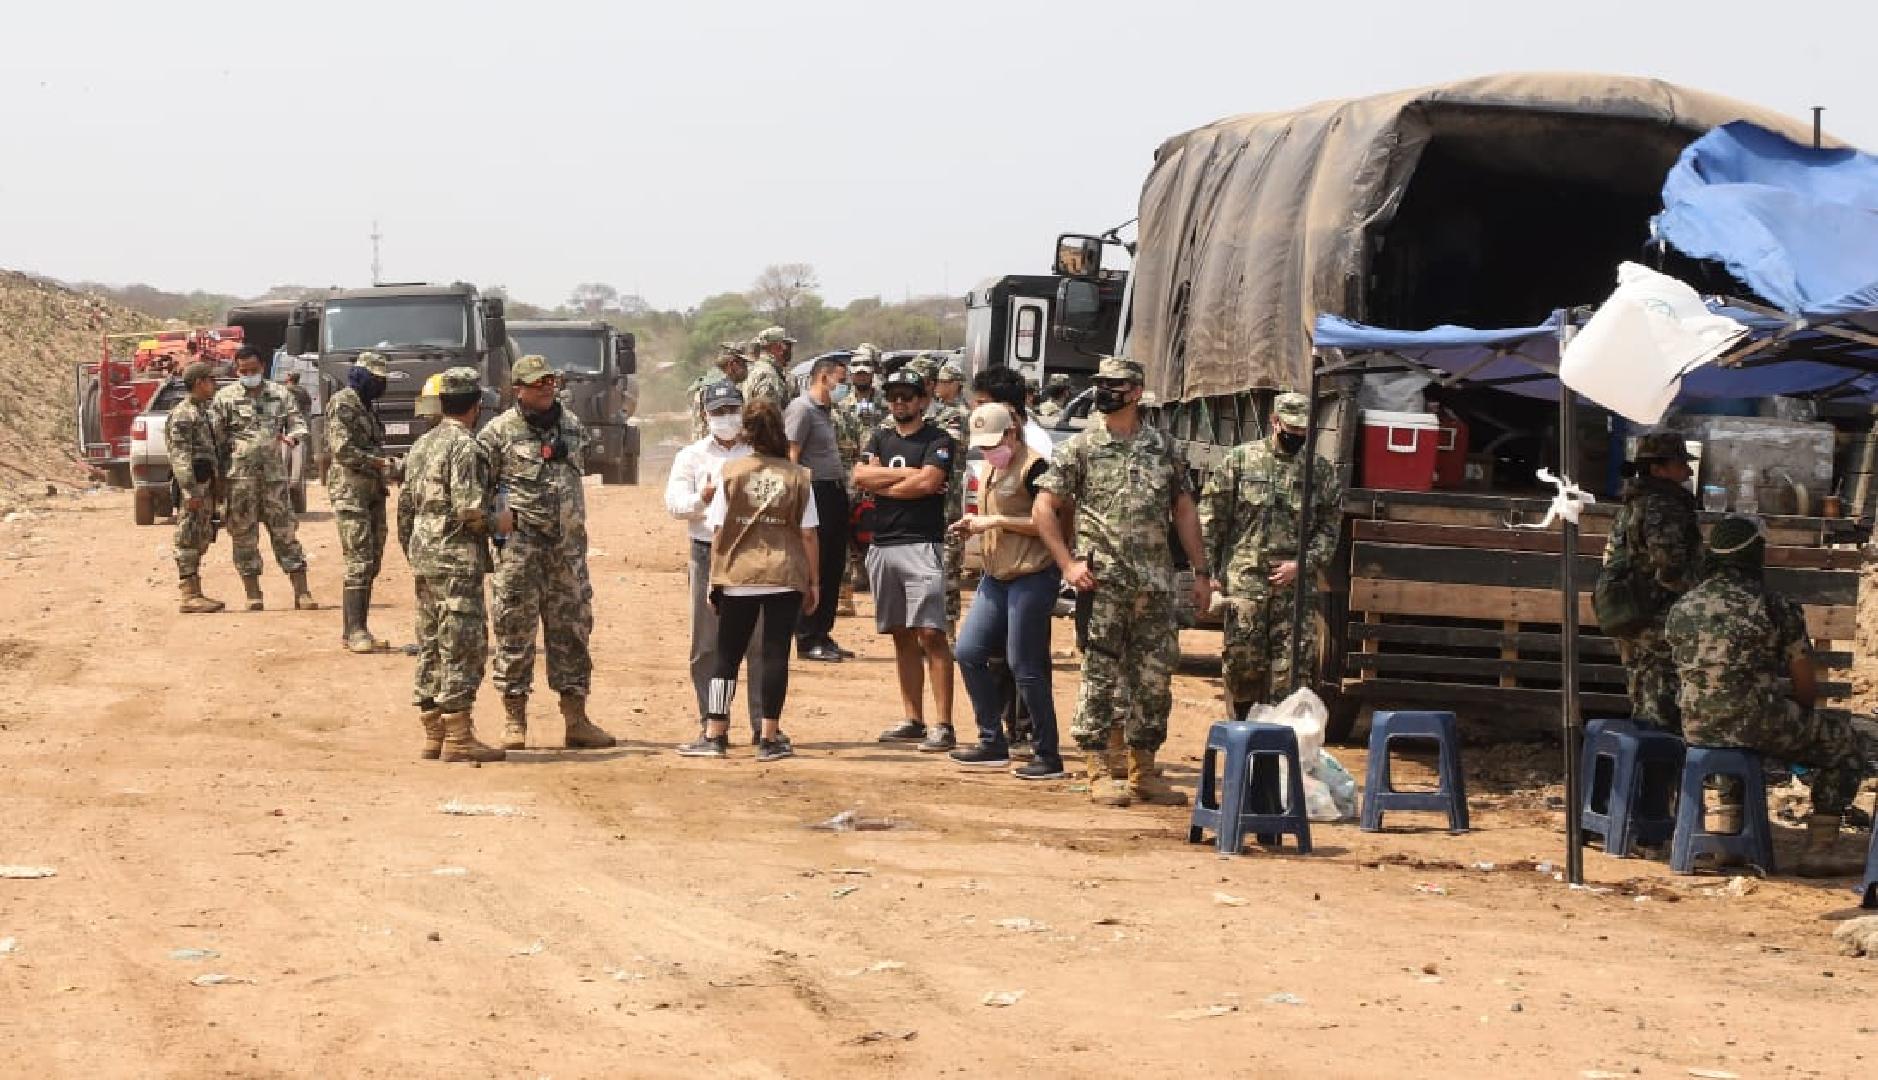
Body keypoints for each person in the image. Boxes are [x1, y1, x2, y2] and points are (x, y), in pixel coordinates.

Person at [1034, 356, 1212, 808]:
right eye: (1100, 383)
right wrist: (1067, 564)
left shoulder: (1163, 447)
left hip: (1154, 584)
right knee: (1098, 675)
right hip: (1103, 583)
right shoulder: (1083, 447)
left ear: (1135, 391)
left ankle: (1143, 770)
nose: (1104, 391)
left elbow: (1184, 510)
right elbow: (1044, 508)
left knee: (1154, 679)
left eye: (1113, 385)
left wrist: (1201, 572)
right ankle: (1096, 767)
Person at [1664, 515, 1872, 876]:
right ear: (1754, 555)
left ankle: (1728, 838)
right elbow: (1805, 685)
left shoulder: (1683, 607)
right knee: (1846, 745)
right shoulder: (1773, 606)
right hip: (1757, 721)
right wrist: (1798, 716)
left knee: (1731, 743)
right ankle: (1820, 850)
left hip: (1696, 725)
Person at [479, 355, 617, 751]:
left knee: (572, 632)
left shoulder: (571, 426)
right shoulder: (497, 434)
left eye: (550, 382)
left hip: (567, 552)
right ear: (517, 389)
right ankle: (514, 719)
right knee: (514, 632)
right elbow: (482, 489)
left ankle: (576, 720)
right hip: (522, 550)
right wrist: (497, 522)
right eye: (536, 383)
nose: (545, 389)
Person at [676, 400, 819, 762]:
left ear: (746, 434)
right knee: (774, 655)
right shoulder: (799, 476)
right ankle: (769, 737)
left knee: (726, 657)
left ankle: (715, 733)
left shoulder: (730, 473)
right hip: (784, 576)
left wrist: (714, 579)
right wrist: (813, 581)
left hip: (738, 574)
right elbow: (808, 535)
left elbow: (719, 530)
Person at [1198, 391, 1343, 714]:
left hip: (1295, 590)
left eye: (1304, 432)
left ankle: (1280, 745)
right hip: (1246, 584)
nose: (1298, 437)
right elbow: (1210, 519)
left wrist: (1301, 564)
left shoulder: (1320, 473)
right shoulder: (1240, 461)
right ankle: (1245, 732)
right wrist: (1207, 573)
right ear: (1274, 422)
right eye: (1292, 430)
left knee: (1292, 672)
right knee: (1242, 664)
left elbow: (1330, 529)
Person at [397, 367, 509, 763]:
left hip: (425, 555)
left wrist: (414, 550)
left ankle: (433, 733)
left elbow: (405, 508)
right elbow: (470, 511)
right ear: (476, 407)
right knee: (462, 643)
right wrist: (500, 523)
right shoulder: (466, 447)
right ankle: (459, 737)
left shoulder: (421, 445)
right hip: (457, 558)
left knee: (430, 640)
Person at [948, 403, 1064, 778]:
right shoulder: (988, 467)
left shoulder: (1037, 468)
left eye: (994, 443)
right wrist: (974, 524)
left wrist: (997, 520)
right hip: (996, 574)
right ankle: (991, 740)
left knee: (1025, 665)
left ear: (1013, 434)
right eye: (982, 446)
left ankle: (1047, 753)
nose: (988, 452)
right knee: (968, 652)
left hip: (1032, 573)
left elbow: (1049, 521)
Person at [854, 370, 959, 751]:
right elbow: (861, 476)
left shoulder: (939, 438)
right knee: (900, 633)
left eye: (907, 396)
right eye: (894, 396)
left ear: (922, 400)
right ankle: (913, 718)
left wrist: (887, 482)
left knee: (931, 632)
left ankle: (943, 723)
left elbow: (930, 483)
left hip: (921, 544)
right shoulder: (879, 436)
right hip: (883, 546)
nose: (899, 402)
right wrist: (906, 480)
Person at [666, 381, 768, 741]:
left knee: (758, 643)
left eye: (732, 410)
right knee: (708, 645)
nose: (726, 418)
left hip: (752, 554)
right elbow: (675, 504)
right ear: (705, 415)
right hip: (707, 553)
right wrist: (703, 498)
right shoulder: (691, 456)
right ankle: (713, 723)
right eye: (718, 412)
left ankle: (763, 726)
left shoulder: (758, 453)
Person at [1599, 433, 1703, 733]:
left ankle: (1644, 765)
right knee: (1660, 700)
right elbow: (1670, 566)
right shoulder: (1661, 505)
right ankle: (1656, 768)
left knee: (1643, 692)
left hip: (1631, 611)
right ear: (1658, 469)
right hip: (1654, 615)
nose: (1688, 471)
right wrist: (1701, 597)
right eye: (1680, 463)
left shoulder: (1635, 503)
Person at [210, 345, 317, 611]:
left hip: (273, 479)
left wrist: (293, 437)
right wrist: (217, 478)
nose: (248, 375)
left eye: (253, 370)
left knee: (285, 533)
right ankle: (253, 594)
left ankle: (302, 592)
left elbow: (298, 423)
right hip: (239, 480)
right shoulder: (225, 398)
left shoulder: (280, 394)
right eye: (243, 371)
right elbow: (215, 437)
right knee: (243, 536)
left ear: (263, 366)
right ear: (237, 370)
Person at [326, 351, 397, 654]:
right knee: (359, 560)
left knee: (373, 559)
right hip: (351, 492)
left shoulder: (367, 406)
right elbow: (343, 450)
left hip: (372, 492)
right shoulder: (343, 403)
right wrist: (381, 463)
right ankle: (353, 631)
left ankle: (360, 627)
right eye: (377, 378)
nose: (381, 384)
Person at [784, 354, 852, 662]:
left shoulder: (827, 412)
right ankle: (807, 636)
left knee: (834, 565)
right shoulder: (801, 409)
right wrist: (797, 501)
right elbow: (792, 456)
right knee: (816, 565)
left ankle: (823, 632)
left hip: (834, 492)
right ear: (824, 377)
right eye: (841, 378)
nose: (845, 385)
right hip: (815, 493)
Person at [166, 361, 226, 613]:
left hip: (205, 484)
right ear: (200, 382)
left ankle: (196, 593)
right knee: (188, 538)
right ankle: (189, 595)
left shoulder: (202, 411)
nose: (214, 384)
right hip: (194, 485)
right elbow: (180, 455)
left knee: (201, 536)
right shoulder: (183, 415)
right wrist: (189, 489)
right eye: (211, 379)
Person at [970, 364, 1055, 458]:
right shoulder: (997, 433)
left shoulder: (1034, 444)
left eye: (981, 403)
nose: (975, 408)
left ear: (1006, 406)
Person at [688, 344, 749, 440]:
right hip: (718, 446)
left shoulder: (707, 381)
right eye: (743, 364)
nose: (746, 369)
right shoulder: (725, 390)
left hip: (704, 444)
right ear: (732, 364)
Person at [742, 327, 794, 409]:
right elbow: (767, 413)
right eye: (783, 345)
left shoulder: (754, 369)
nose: (785, 349)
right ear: (778, 346)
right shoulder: (768, 374)